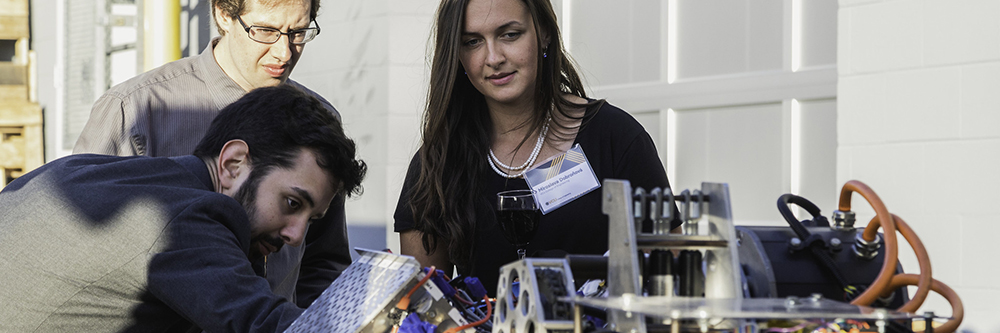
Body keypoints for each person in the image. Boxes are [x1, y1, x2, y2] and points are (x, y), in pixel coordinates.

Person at [0, 84, 367, 332]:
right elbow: (266, 325)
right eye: (292, 203)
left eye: (311, 219)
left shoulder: (82, 170)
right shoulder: (183, 217)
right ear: (233, 164)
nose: (296, 235)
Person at [393, 0, 681, 295]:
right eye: (472, 42)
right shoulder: (439, 160)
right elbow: (423, 303)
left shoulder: (615, 138)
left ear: (544, 33)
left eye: (510, 35)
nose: (493, 58)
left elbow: (669, 277)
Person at [72, 0, 347, 307]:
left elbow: (324, 262)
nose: (284, 52)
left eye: (298, 33)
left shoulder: (320, 122)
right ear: (223, 14)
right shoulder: (136, 110)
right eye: (266, 31)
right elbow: (79, 245)